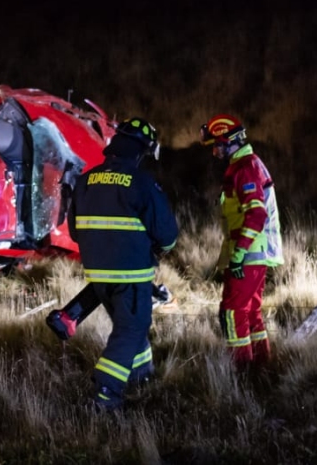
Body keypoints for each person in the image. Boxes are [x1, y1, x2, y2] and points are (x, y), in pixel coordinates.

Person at [56, 117, 179, 411]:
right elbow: (167, 235)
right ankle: (106, 391)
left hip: (98, 275)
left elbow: (74, 231)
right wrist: (160, 247)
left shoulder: (86, 180)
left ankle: (142, 376)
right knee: (132, 329)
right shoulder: (141, 183)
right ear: (140, 151)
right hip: (131, 273)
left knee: (129, 327)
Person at [199, 114, 284, 369]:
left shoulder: (245, 168)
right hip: (255, 254)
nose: (216, 151)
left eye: (218, 145)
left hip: (247, 255)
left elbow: (256, 214)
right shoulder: (249, 164)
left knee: (233, 312)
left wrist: (238, 255)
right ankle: (261, 369)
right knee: (251, 313)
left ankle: (242, 375)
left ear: (230, 141)